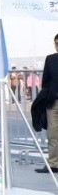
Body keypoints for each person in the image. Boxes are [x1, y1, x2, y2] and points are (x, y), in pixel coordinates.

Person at [38, 33, 58, 173]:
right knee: (53, 134)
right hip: (53, 102)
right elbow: (45, 81)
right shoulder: (50, 59)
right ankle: (53, 164)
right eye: (56, 43)